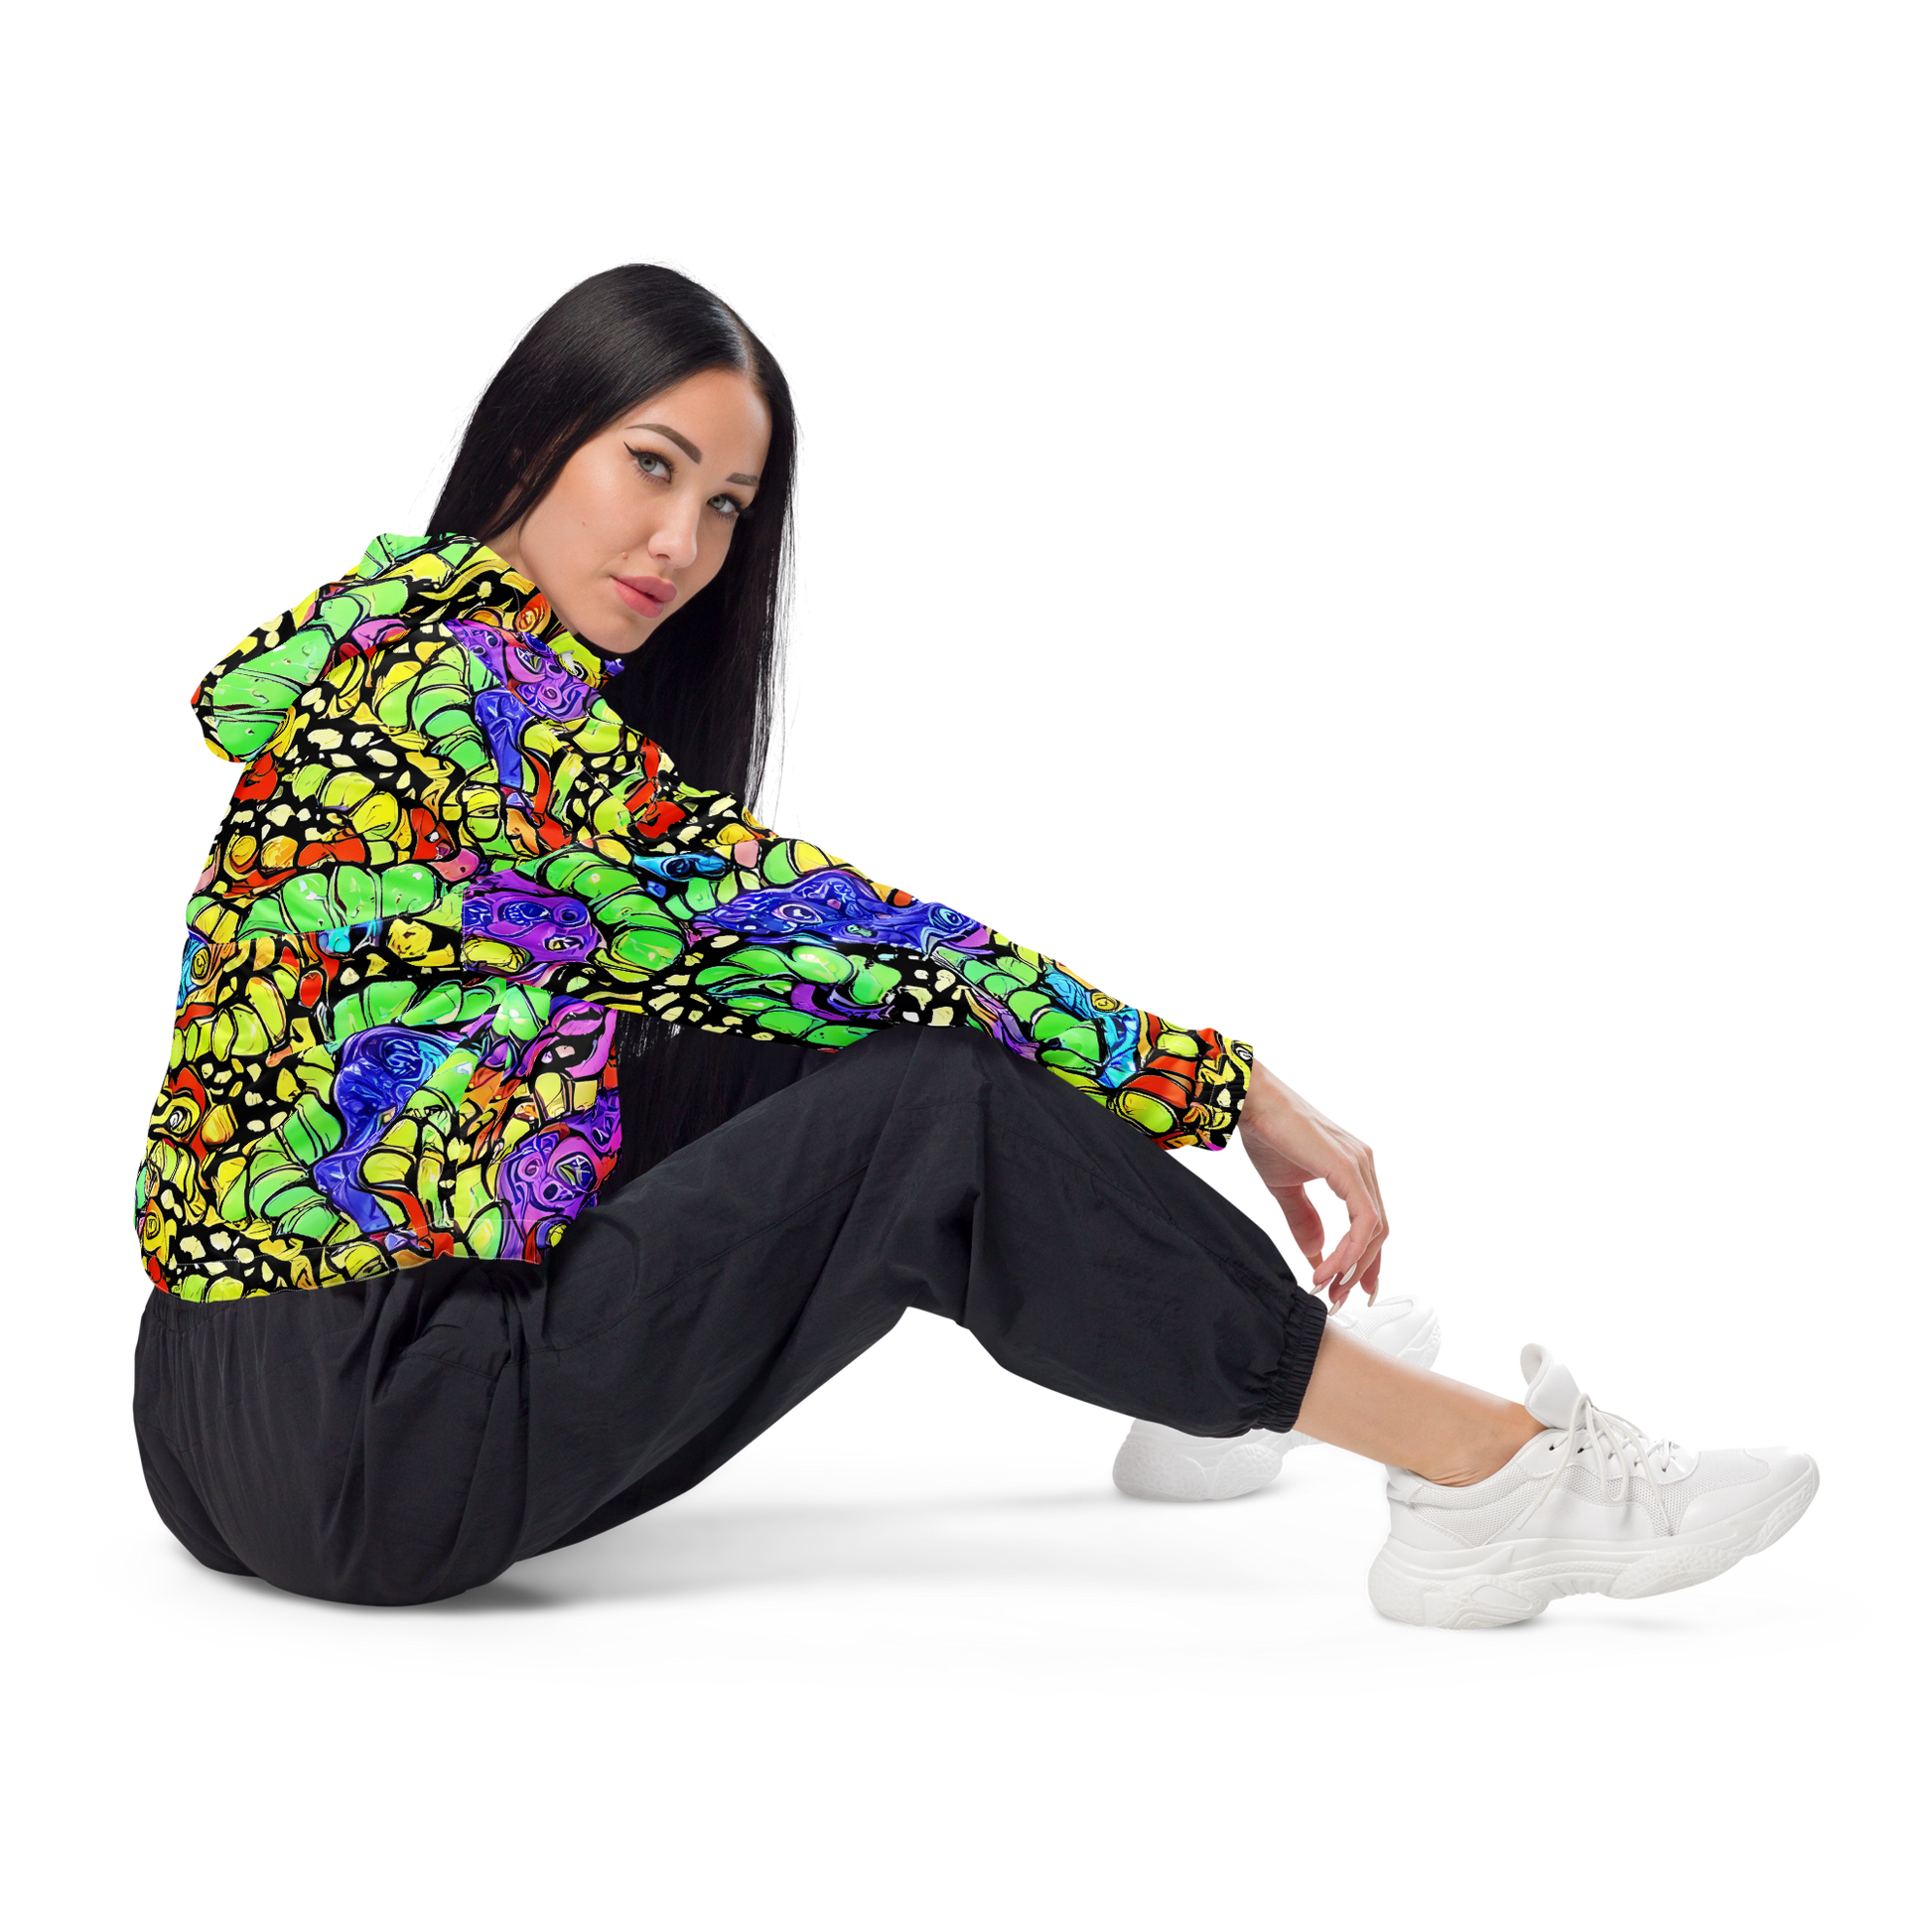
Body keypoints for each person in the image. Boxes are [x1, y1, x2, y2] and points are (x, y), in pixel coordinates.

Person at [129, 250, 1822, 1622]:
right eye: (651, 465)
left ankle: (1187, 1352)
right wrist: (1225, 1086)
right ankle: (1495, 1475)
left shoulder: (371, 647)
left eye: (726, 504)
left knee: (818, 1038)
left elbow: (794, 965)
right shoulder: (486, 716)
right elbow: (848, 933)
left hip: (213, 1426)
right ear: (535, 436)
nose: (681, 545)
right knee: (934, 1101)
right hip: (382, 1444)